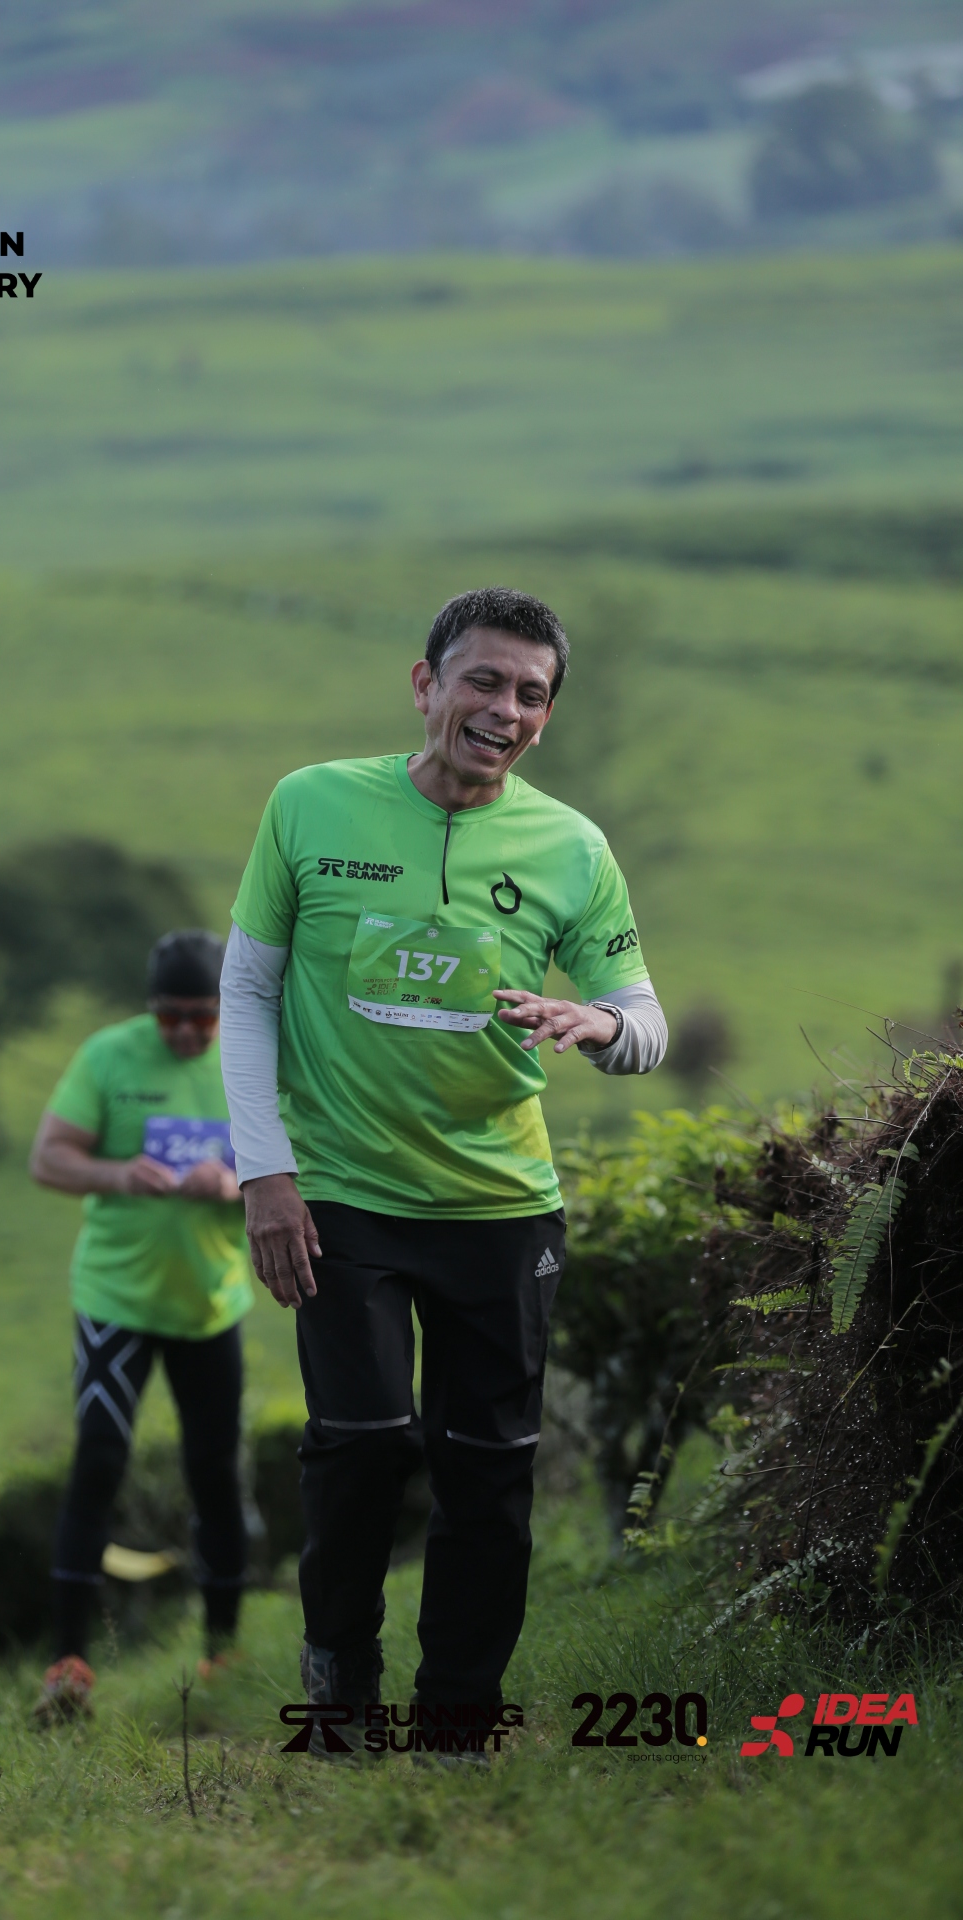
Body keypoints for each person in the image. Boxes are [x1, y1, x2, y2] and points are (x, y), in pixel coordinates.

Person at [219, 586, 667, 1737]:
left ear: (545, 717)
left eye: (531, 694)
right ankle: (339, 1689)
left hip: (499, 1206)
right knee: (360, 1445)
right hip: (340, 1193)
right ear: (425, 685)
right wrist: (265, 1171)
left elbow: (642, 1021)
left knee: (488, 1467)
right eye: (483, 681)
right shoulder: (309, 803)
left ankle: (458, 1721)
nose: (504, 709)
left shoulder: (570, 847)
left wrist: (598, 1025)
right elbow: (248, 988)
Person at [29, 929, 252, 1724]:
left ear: (224, 1007)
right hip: (116, 1301)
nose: (185, 1032)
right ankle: (68, 1664)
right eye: (169, 1017)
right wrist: (119, 1173)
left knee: (215, 1473)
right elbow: (49, 1157)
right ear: (150, 1009)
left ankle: (222, 1649)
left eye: (201, 1016)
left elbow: (309, 1161)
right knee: (98, 1460)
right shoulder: (108, 1056)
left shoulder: (253, 1056)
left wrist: (235, 1188)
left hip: (209, 1305)